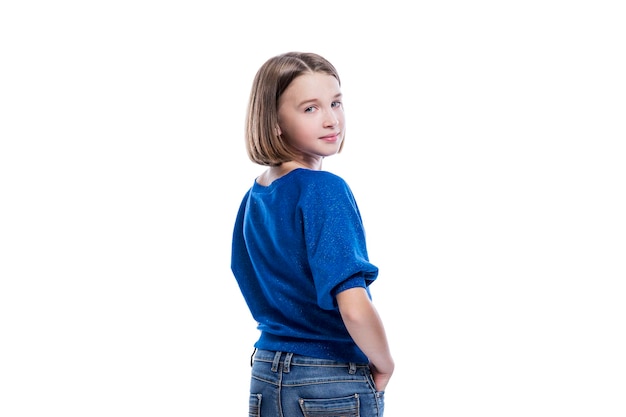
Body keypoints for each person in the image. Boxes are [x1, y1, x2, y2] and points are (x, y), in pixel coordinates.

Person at [231, 51, 394, 417]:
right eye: (310, 109)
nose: (331, 119)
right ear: (274, 122)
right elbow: (353, 306)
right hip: (329, 377)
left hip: (266, 372)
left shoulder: (256, 195)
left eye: (335, 102)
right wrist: (384, 362)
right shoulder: (324, 189)